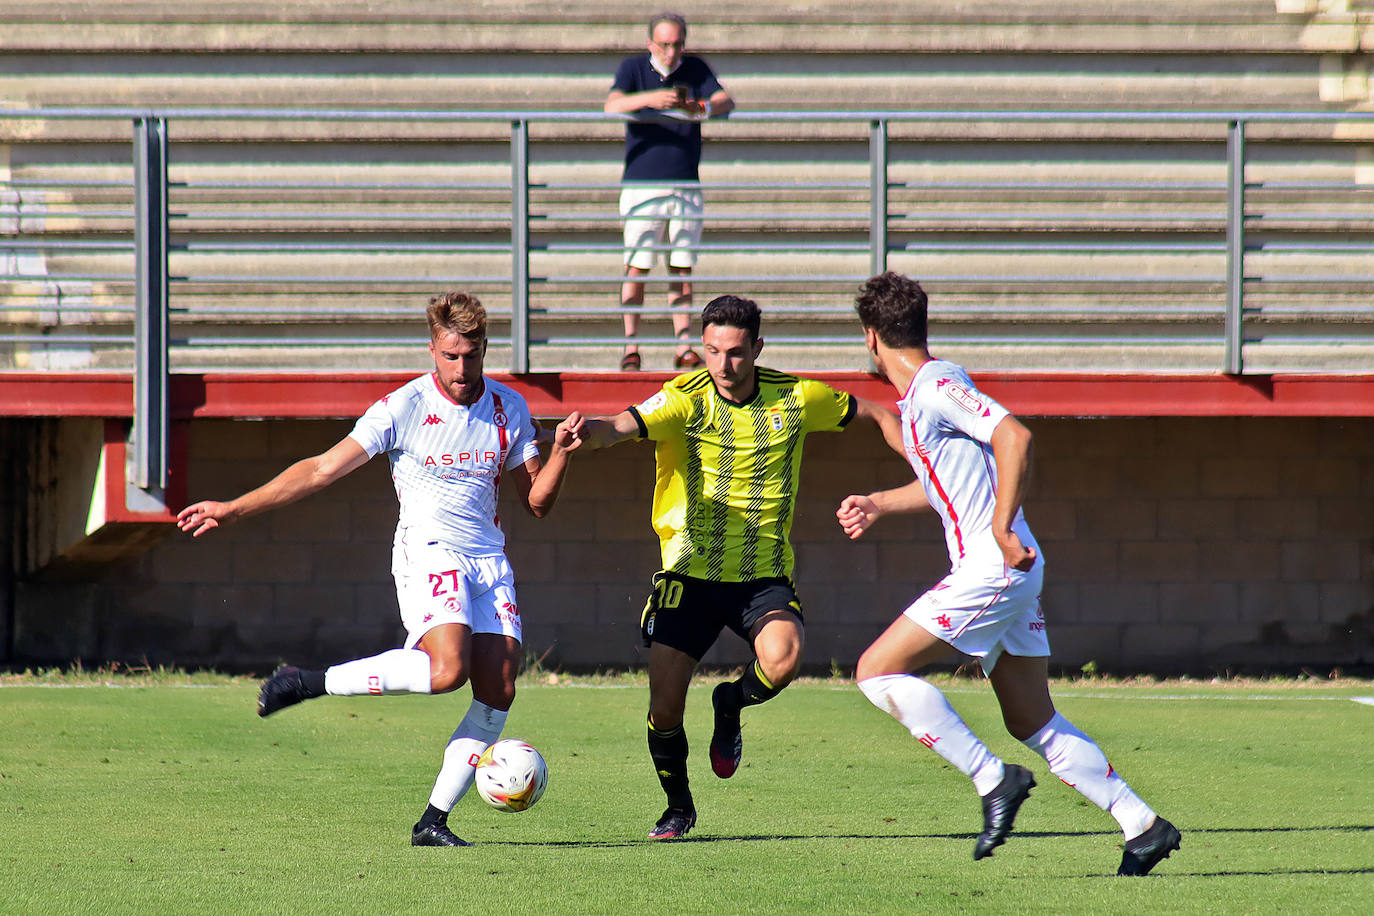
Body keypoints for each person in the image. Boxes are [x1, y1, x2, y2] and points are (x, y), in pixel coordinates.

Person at [176, 292, 578, 848]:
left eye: (472, 356)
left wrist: (561, 453)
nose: (462, 368)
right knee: (446, 671)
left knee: (499, 687)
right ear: (433, 350)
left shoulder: (509, 407)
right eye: (451, 356)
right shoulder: (403, 407)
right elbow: (320, 470)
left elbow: (536, 502)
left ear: (486, 349)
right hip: (429, 550)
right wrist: (232, 508)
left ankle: (432, 823)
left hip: (489, 560)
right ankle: (307, 681)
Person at [836, 272, 1181, 875]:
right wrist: (880, 503)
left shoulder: (937, 385)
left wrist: (999, 528)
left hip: (994, 565)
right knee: (1031, 718)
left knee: (876, 670)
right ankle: (1143, 826)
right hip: (1010, 570)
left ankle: (993, 778)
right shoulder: (924, 396)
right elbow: (949, 482)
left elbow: (1014, 436)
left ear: (870, 337)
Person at [564, 294, 903, 839]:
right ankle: (678, 808)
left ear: (757, 348)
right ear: (703, 347)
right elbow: (618, 427)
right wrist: (585, 435)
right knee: (665, 707)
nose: (723, 364)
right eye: (714, 351)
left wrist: (926, 463)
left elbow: (879, 414)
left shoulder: (796, 397)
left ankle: (729, 702)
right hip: (689, 576)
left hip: (761, 576)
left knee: (783, 660)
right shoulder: (684, 398)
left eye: (736, 352)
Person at [604, 12, 735, 371]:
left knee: (681, 267)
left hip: (685, 181)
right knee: (637, 265)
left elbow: (726, 101)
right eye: (664, 44)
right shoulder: (633, 68)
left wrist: (700, 107)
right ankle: (631, 347)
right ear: (650, 43)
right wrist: (653, 99)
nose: (671, 51)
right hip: (642, 183)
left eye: (677, 44)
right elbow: (612, 104)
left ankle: (684, 345)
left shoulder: (695, 68)